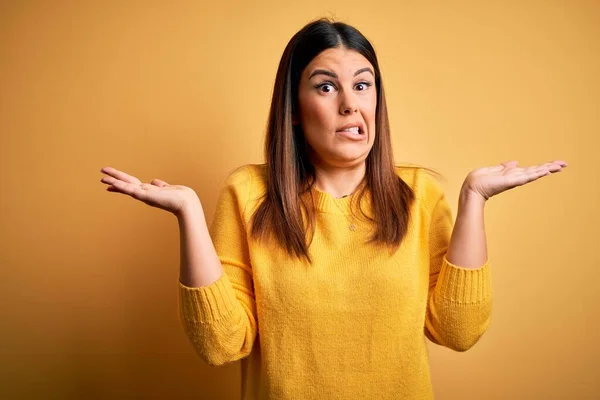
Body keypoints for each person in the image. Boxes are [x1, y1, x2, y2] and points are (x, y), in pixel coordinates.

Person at [100, 18, 567, 400]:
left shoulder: (422, 195)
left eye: (362, 86)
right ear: (296, 109)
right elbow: (222, 345)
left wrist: (474, 200)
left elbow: (458, 332)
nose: (349, 104)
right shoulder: (248, 193)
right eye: (326, 88)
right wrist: (188, 214)